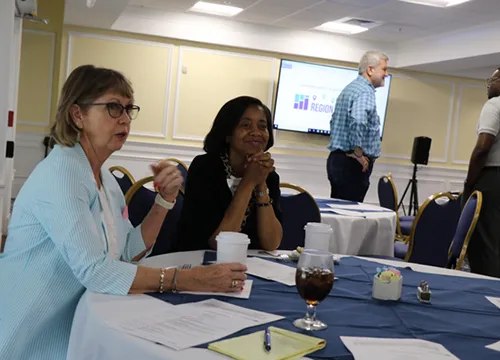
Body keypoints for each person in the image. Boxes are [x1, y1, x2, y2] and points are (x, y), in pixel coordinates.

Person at [0, 65, 247, 360]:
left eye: (130, 109)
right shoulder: (61, 174)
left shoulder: (103, 177)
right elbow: (96, 271)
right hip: (27, 335)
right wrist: (191, 279)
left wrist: (164, 201)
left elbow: (126, 252)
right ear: (77, 115)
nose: (126, 119)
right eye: (114, 107)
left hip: (73, 322)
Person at [177, 96, 283, 251]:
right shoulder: (205, 168)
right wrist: (248, 182)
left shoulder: (269, 176)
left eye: (262, 126)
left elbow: (271, 243)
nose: (256, 132)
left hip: (250, 267)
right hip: (197, 263)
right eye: (245, 125)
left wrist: (260, 183)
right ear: (228, 133)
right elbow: (218, 243)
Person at [327, 51, 389, 202]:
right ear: (370, 70)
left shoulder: (351, 88)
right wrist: (358, 153)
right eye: (384, 69)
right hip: (352, 165)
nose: (387, 74)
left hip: (339, 161)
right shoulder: (365, 92)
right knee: (350, 216)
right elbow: (359, 120)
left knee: (340, 214)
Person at [463, 66, 500, 277]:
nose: (489, 85)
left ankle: (484, 294)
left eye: (492, 80)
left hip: (492, 180)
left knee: (483, 245)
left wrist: (469, 183)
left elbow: (482, 148)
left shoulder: (494, 105)